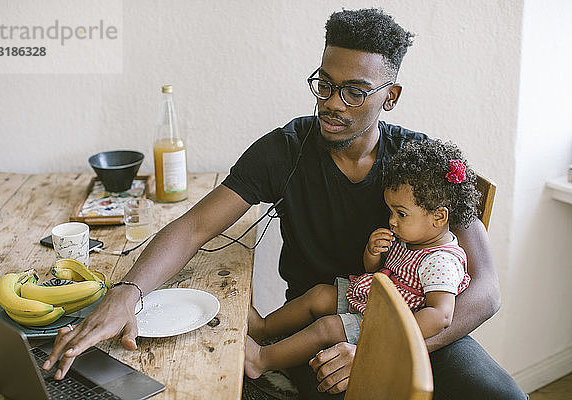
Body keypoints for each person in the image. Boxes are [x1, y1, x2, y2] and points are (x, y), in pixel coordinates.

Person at [43, 8, 528, 400]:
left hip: (420, 322)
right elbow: (193, 228)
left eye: (355, 91)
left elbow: (485, 293)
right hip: (314, 331)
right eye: (325, 84)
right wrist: (126, 293)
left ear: (391, 96)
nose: (333, 102)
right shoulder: (285, 150)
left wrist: (383, 348)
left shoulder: (420, 165)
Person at [244, 139, 478, 379]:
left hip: (388, 323)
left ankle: (261, 360)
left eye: (401, 213)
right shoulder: (414, 239)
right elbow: (375, 271)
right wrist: (373, 253)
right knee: (319, 295)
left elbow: (441, 315)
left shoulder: (441, 262)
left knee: (327, 328)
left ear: (438, 217)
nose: (392, 220)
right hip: (375, 297)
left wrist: (389, 340)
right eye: (391, 211)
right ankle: (263, 328)